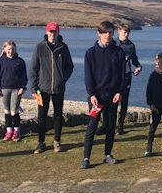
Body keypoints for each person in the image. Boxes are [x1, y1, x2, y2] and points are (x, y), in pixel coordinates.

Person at [81, 20, 125, 169]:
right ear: (99, 33)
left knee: (111, 126)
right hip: (96, 97)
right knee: (92, 126)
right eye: (105, 32)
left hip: (113, 96)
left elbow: (122, 75)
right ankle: (86, 158)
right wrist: (91, 94)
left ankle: (108, 154)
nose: (108, 35)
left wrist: (119, 92)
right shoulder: (90, 53)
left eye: (111, 32)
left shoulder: (118, 52)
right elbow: (88, 76)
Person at [29, 22, 74, 154]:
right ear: (46, 32)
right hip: (42, 90)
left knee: (58, 116)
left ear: (58, 32)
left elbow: (70, 67)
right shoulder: (39, 47)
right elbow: (33, 69)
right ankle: (41, 143)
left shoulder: (63, 47)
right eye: (50, 32)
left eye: (54, 32)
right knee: (42, 116)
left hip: (59, 89)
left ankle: (57, 142)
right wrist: (33, 88)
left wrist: (62, 79)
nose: (52, 34)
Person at [0, 41, 28, 142]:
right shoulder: (0, 61)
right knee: (7, 111)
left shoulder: (20, 61)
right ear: (4, 49)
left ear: (15, 50)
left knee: (14, 111)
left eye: (12, 49)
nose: (10, 51)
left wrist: (23, 87)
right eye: (8, 49)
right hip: (4, 89)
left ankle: (16, 131)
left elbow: (24, 77)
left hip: (16, 89)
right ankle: (9, 131)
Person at [117, 23, 142, 135]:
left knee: (124, 102)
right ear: (119, 31)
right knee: (112, 102)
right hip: (114, 77)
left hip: (127, 77)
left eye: (127, 32)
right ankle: (107, 126)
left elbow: (135, 60)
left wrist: (139, 67)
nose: (126, 34)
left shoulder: (131, 46)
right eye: (124, 31)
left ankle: (120, 126)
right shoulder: (113, 43)